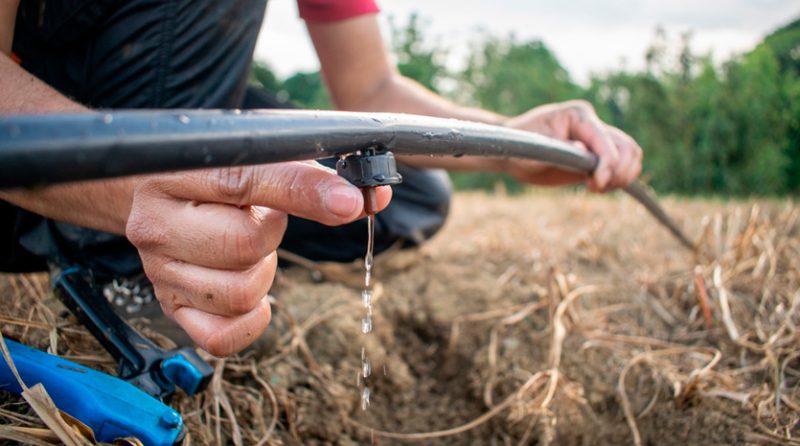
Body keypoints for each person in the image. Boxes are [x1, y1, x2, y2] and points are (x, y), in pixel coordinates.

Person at [0, 0, 642, 356]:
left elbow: (371, 86)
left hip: (155, 92)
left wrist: (511, 138)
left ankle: (224, 233)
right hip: (27, 148)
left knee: (404, 197)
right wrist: (131, 189)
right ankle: (121, 263)